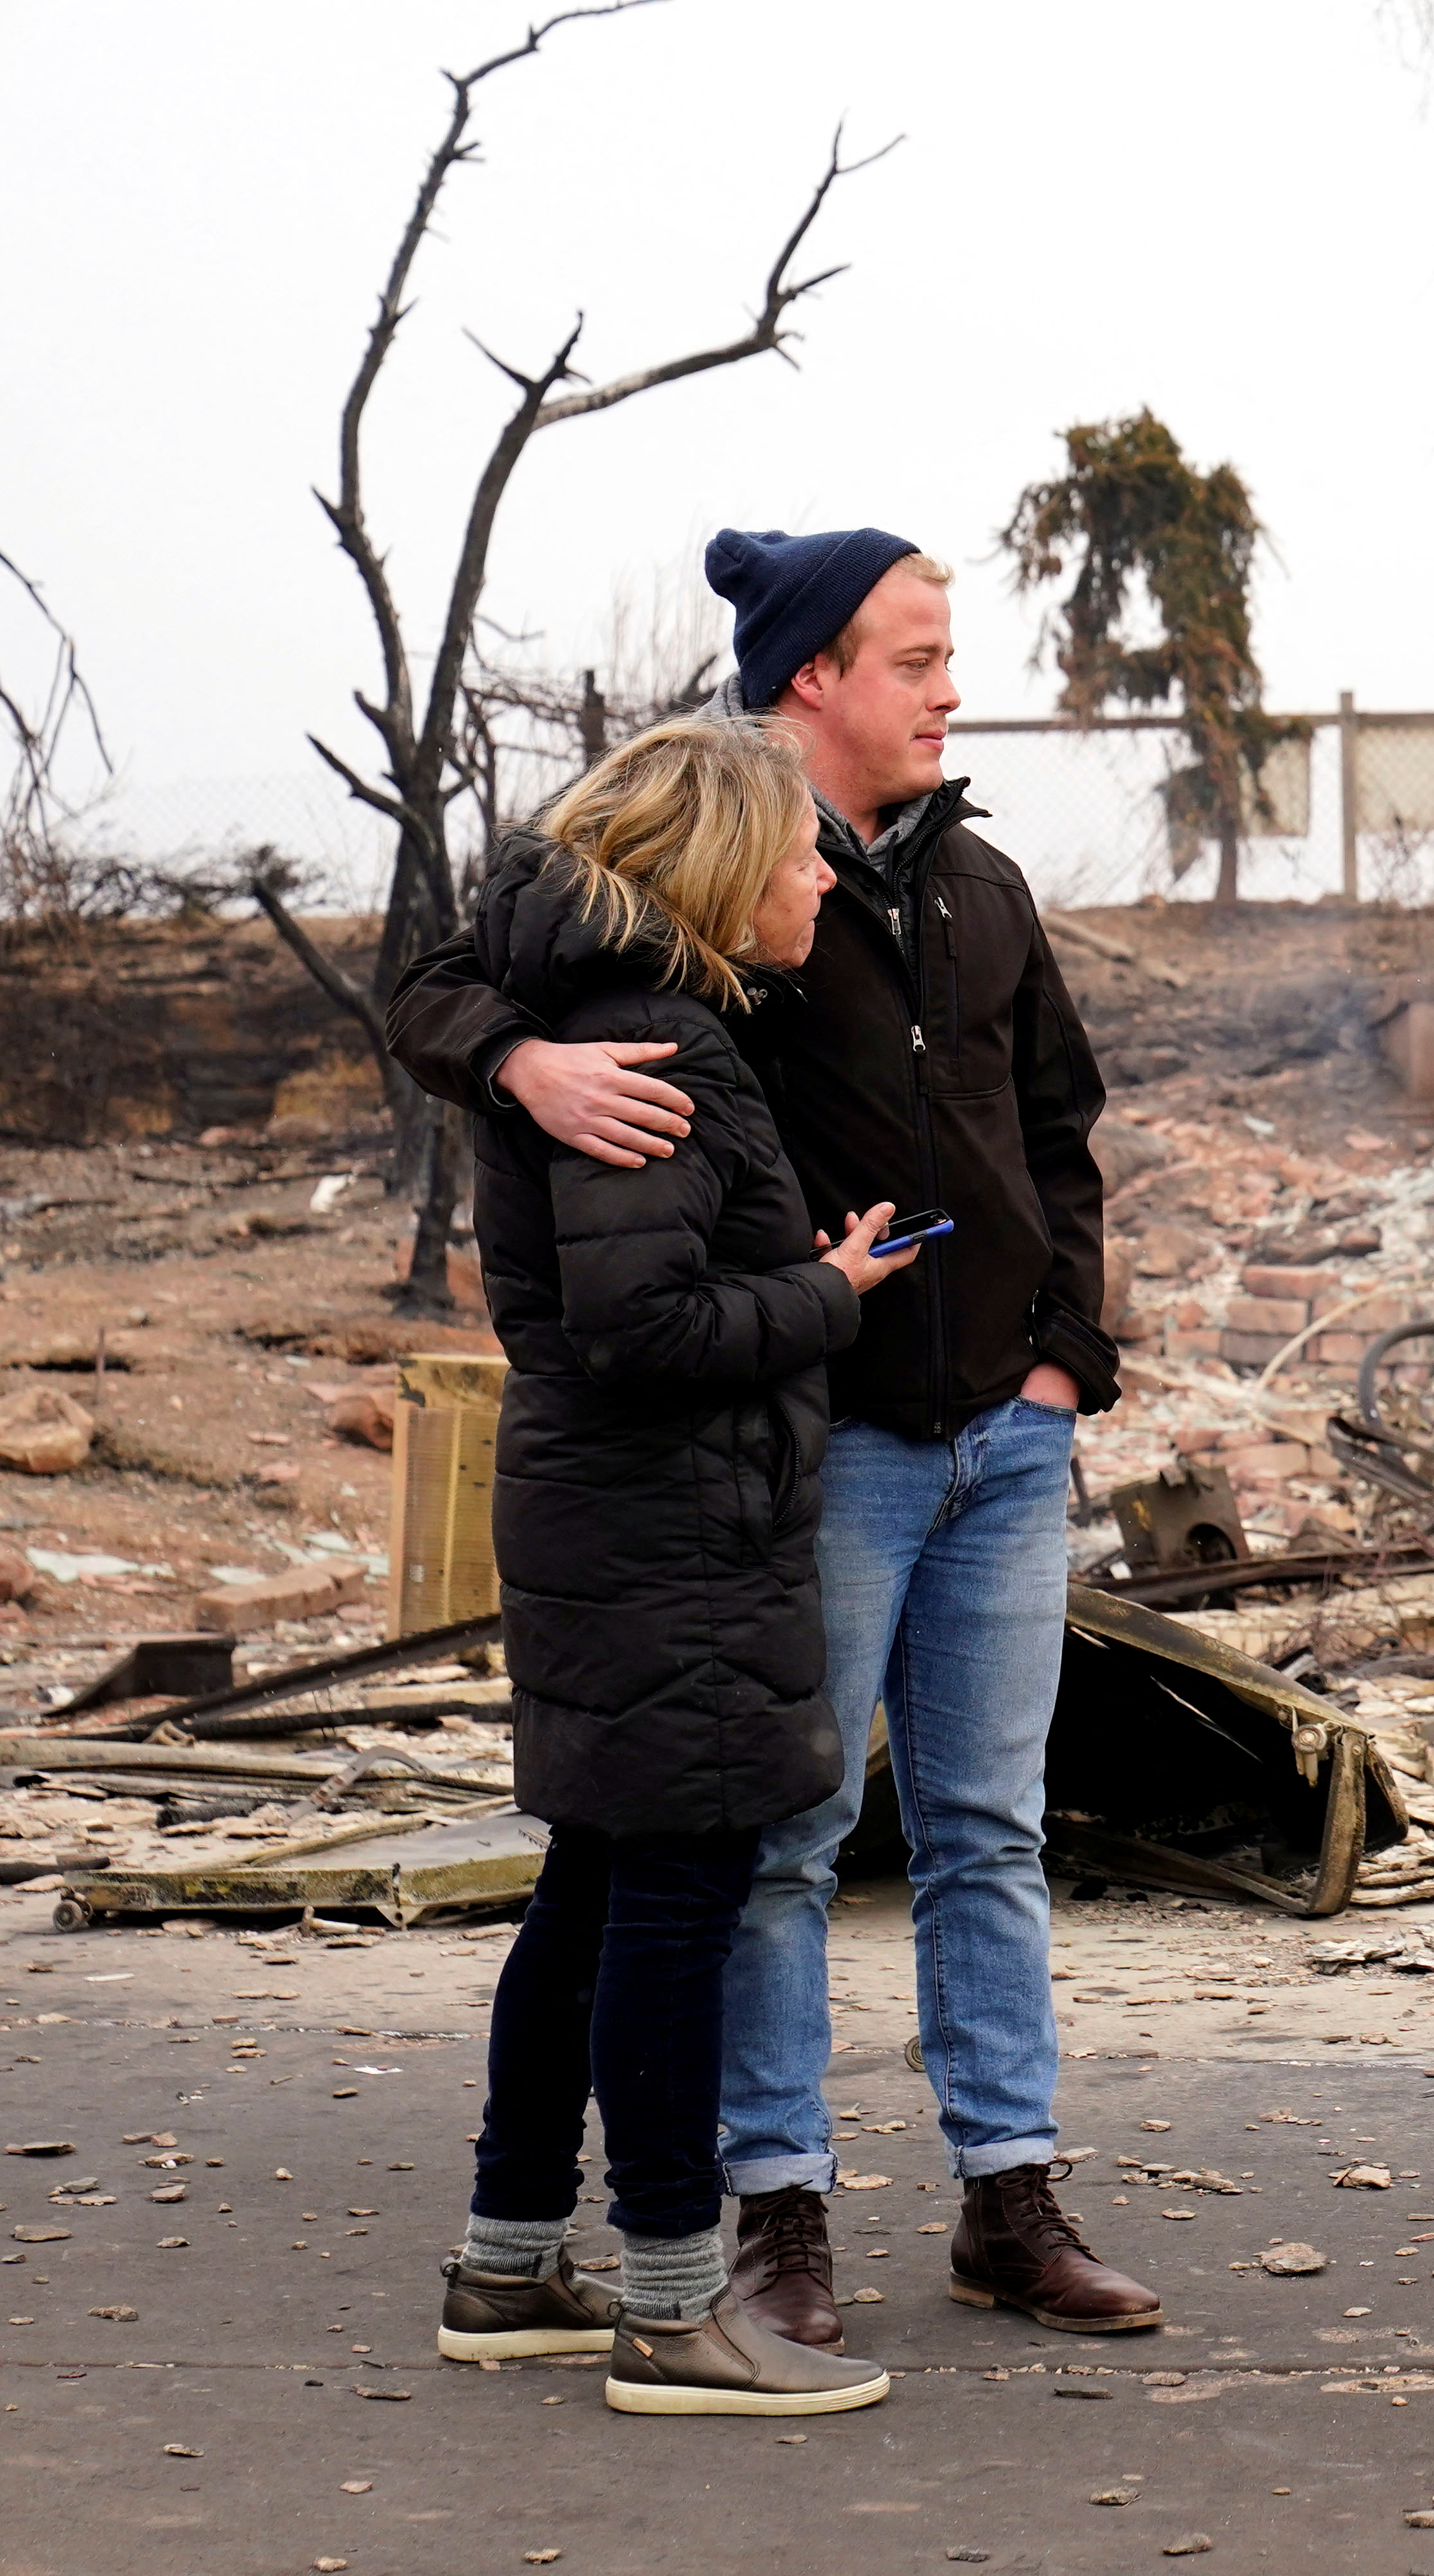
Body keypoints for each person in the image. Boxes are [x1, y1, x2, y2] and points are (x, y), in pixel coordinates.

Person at [388, 528, 1157, 2345]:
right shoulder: (702, 878)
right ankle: (774, 2218)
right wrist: (518, 1065)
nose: (951, 689)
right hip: (821, 1443)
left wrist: (1065, 1358)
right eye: (917, 657)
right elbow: (449, 976)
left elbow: (1059, 1134)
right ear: (812, 673)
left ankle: (1010, 2200)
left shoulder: (981, 887)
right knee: (779, 1840)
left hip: (1006, 1442)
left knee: (987, 1828)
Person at [433, 715, 917, 2416]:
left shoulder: (626, 1019)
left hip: (628, 1524)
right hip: (670, 1535)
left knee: (589, 1894)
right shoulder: (652, 1034)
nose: (817, 876)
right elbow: (642, 1327)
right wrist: (829, 1301)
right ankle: (671, 2310)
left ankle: (504, 2267)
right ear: (718, 864)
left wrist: (799, 1268)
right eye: (796, 852)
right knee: (673, 1902)